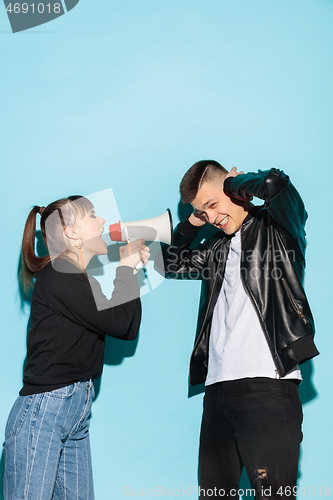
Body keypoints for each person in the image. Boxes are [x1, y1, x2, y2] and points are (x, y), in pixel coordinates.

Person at [156, 161, 319, 499]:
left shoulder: (279, 231)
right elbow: (168, 260)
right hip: (217, 390)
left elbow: (276, 183)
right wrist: (192, 221)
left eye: (213, 204)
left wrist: (236, 184)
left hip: (268, 385)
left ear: (233, 189)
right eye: (203, 211)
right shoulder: (216, 247)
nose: (212, 217)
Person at [2, 195, 150, 500]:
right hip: (45, 411)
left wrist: (131, 271)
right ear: (72, 233)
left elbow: (127, 327)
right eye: (93, 216)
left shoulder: (80, 279)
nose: (102, 223)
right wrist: (125, 268)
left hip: (73, 411)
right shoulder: (58, 274)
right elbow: (120, 323)